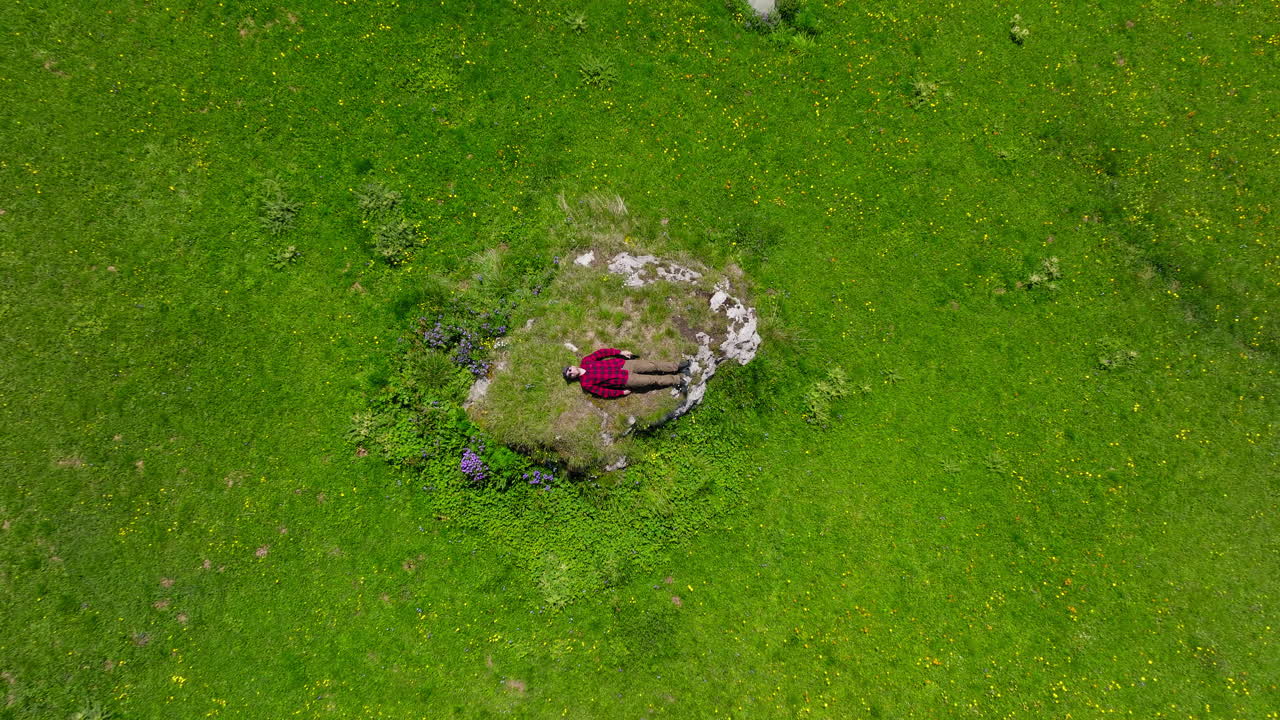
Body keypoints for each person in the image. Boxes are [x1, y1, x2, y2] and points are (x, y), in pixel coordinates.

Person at [563, 347, 690, 399]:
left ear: (573, 366)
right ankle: (678, 380)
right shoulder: (585, 383)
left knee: (652, 365)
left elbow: (602, 353)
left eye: (570, 369)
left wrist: (619, 352)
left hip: (624, 364)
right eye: (569, 375)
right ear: (572, 377)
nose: (571, 372)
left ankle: (678, 366)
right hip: (625, 380)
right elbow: (603, 392)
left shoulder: (586, 361)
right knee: (652, 380)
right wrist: (621, 393)